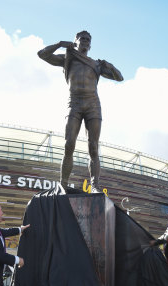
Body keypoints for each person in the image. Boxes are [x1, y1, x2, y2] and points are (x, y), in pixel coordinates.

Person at [38, 31, 123, 192]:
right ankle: (63, 184)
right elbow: (42, 54)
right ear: (75, 41)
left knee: (93, 147)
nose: (85, 41)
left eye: (87, 40)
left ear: (90, 45)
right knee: (69, 144)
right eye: (81, 39)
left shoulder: (96, 64)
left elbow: (119, 77)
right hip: (75, 103)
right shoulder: (68, 58)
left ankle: (95, 185)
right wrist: (59, 44)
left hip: (93, 105)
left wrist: (110, 66)